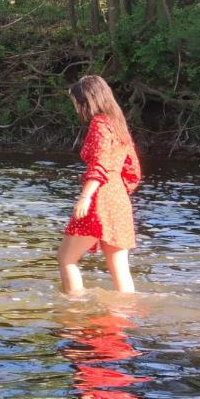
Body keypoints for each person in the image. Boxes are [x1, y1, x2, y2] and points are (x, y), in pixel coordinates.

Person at [57, 75, 141, 295]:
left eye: (76, 102)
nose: (76, 108)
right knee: (120, 269)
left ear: (87, 101)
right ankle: (123, 319)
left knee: (66, 258)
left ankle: (75, 313)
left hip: (100, 198)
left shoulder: (99, 124)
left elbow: (100, 164)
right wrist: (116, 192)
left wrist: (86, 196)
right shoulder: (118, 125)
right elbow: (133, 172)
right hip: (119, 200)